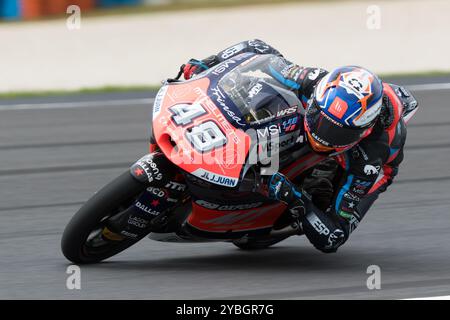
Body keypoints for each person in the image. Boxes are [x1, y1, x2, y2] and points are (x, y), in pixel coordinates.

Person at [182, 39, 419, 253]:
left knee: (322, 191)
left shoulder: (369, 158)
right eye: (320, 117)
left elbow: (334, 237)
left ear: (362, 131)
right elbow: (259, 49)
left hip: (370, 165)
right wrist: (209, 63)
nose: (322, 134)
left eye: (336, 131)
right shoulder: (313, 80)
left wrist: (297, 199)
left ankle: (292, 198)